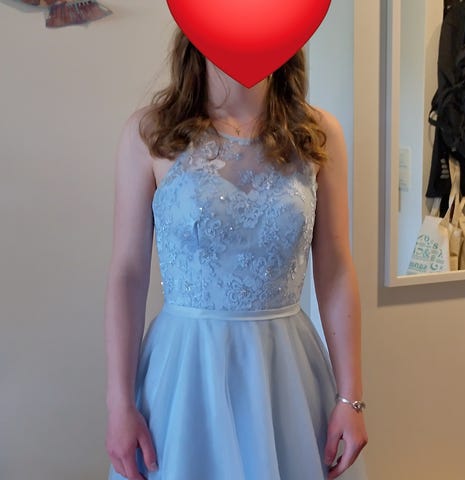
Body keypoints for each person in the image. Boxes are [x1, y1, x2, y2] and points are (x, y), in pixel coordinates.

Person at [104, 27, 368, 480]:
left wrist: (351, 397)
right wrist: (119, 403)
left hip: (286, 374)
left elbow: (336, 268)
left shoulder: (318, 135)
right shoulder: (149, 134)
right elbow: (128, 273)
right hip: (184, 374)